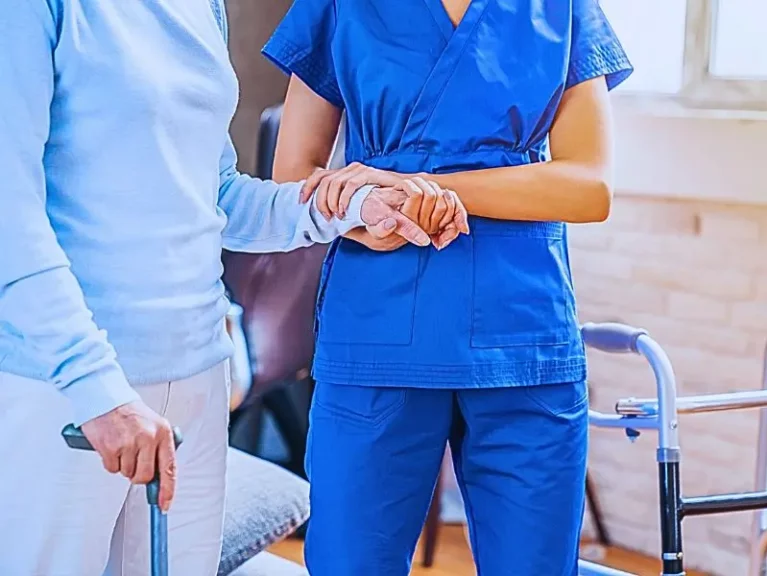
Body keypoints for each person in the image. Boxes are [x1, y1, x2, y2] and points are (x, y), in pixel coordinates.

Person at [0, 0, 468, 574]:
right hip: (70, 389)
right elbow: (9, 219)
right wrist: (95, 389)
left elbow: (216, 194)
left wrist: (349, 208)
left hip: (196, 373)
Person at [262, 0, 633, 574]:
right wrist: (366, 210)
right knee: (349, 562)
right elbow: (293, 179)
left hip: (521, 337)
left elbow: (589, 187)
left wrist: (424, 185)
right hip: (376, 332)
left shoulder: (560, 8)